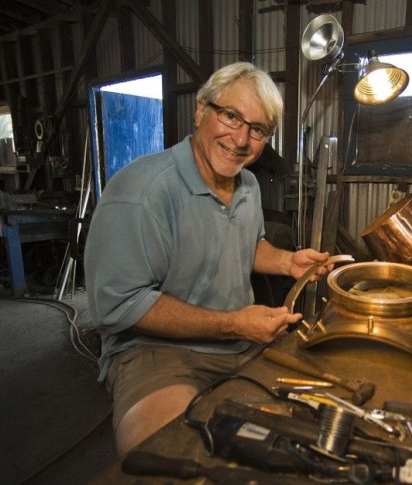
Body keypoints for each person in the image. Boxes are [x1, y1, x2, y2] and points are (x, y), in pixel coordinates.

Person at [84, 62, 331, 455]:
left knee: (314, 424)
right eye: (231, 116)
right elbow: (119, 307)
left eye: (258, 129)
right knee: (175, 453)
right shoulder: (141, 191)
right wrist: (235, 324)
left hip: (238, 341)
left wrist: (287, 262)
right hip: (156, 351)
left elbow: (245, 245)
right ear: (200, 112)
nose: (241, 139)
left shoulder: (247, 185)